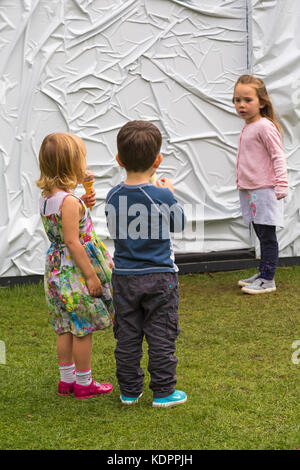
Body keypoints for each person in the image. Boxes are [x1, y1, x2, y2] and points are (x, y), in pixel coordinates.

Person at [105, 120, 187, 407]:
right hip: (160, 276)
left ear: (118, 160)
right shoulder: (162, 195)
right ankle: (163, 392)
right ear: (158, 160)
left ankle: (129, 391)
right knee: (161, 334)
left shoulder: (112, 195)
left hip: (124, 276)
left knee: (127, 335)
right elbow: (179, 224)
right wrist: (170, 195)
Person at [36, 132, 114, 398]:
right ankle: (84, 383)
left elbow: (63, 225)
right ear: (71, 166)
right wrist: (91, 276)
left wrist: (83, 202)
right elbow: (72, 241)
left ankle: (66, 380)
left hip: (55, 268)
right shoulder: (69, 202)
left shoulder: (48, 197)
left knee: (65, 325)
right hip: (74, 270)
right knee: (83, 327)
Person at [233, 75, 288, 294]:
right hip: (251, 190)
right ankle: (263, 272)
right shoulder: (249, 126)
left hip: (265, 190)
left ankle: (268, 280)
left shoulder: (264, 126)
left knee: (267, 235)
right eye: (237, 100)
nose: (241, 105)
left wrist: (281, 185)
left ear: (262, 102)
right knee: (259, 231)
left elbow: (278, 156)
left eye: (247, 100)